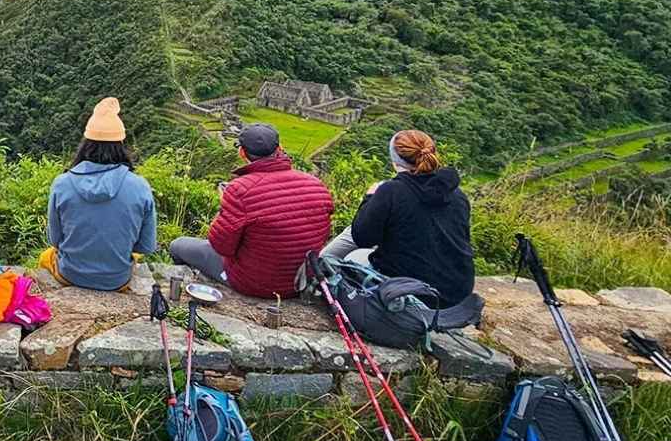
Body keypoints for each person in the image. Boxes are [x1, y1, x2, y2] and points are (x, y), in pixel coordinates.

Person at [170, 123, 332, 298]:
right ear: (279, 148)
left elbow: (221, 246)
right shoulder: (316, 184)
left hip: (253, 284)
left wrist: (223, 210)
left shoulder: (240, 189)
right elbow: (322, 234)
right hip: (299, 282)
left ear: (242, 152)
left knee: (178, 245)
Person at [321, 129, 474, 308]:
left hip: (414, 294)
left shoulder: (392, 191)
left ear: (395, 161)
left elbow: (362, 238)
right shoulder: (456, 194)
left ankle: (319, 271)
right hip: (456, 293)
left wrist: (370, 198)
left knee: (354, 257)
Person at [40, 97, 157, 291]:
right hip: (117, 280)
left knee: (45, 257)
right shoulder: (140, 186)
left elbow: (55, 240)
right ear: (121, 145)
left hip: (71, 274)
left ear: (86, 144)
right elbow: (145, 246)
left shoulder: (62, 184)